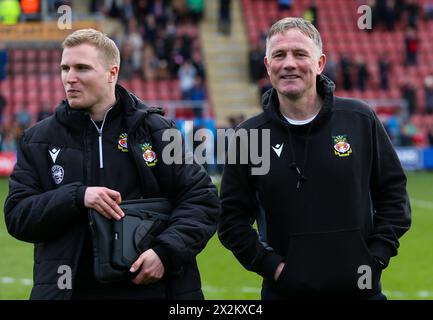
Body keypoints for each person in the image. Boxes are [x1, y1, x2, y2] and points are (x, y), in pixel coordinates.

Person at [4, 29, 220, 300]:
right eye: (65, 68)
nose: (70, 78)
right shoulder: (38, 140)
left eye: (82, 68)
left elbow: (202, 200)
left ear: (112, 73)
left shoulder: (156, 131)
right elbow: (18, 216)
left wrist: (165, 252)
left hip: (151, 290)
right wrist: (77, 196)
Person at [218, 17, 411, 300]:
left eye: (299, 54)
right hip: (285, 294)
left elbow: (393, 192)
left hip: (361, 293)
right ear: (267, 65)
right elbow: (231, 219)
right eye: (279, 55)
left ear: (320, 63)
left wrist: (378, 255)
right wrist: (273, 267)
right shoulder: (249, 136)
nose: (289, 64)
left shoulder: (359, 119)